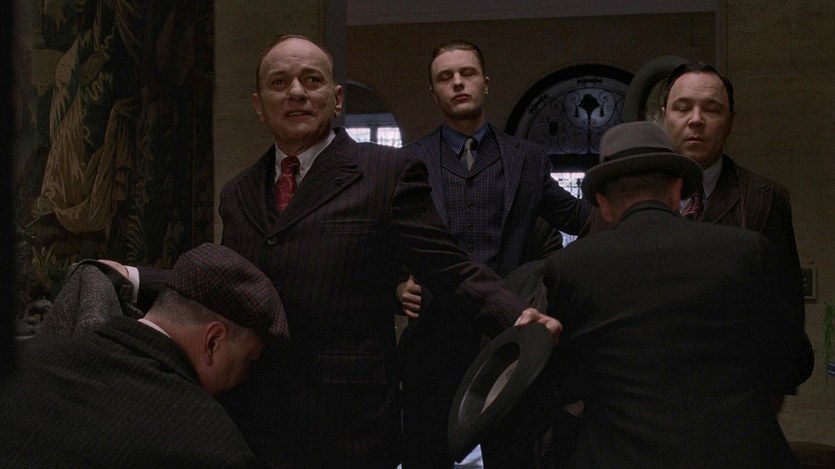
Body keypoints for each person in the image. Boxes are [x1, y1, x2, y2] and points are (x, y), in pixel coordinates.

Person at [118, 34, 560, 469]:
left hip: (350, 422)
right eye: (279, 82)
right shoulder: (238, 193)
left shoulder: (387, 173)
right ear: (258, 105)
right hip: (257, 415)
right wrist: (131, 275)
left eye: (312, 80)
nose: (296, 92)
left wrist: (517, 316)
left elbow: (450, 268)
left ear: (337, 98)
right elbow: (231, 286)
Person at [539, 121, 813, 468]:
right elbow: (794, 360)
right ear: (676, 190)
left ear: (604, 205)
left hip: (618, 456)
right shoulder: (747, 251)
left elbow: (565, 384)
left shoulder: (570, 267)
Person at [396, 39, 590, 469]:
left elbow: (578, 218)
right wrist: (395, 287)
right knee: (426, 457)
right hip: (434, 340)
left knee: (514, 458)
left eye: (466, 73)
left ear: (485, 83)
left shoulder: (527, 159)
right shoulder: (408, 162)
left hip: (509, 341)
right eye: (445, 77)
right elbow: (381, 242)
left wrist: (639, 208)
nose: (457, 83)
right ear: (434, 92)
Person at [586, 61, 805, 409]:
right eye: (683, 107)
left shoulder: (764, 198)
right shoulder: (620, 193)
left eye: (712, 109)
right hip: (637, 392)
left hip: (730, 394)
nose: (696, 120)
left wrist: (770, 398)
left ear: (731, 121)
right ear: (664, 116)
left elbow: (785, 308)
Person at [0, 243, 289, 468]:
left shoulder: (21, 362)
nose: (246, 377)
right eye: (248, 359)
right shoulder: (215, 449)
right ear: (213, 342)